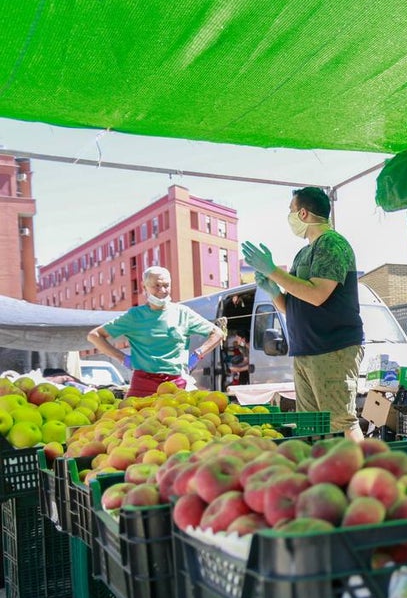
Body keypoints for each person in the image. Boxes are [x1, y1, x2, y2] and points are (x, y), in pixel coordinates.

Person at [241, 187, 365, 441]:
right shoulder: (303, 254)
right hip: (306, 350)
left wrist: (274, 271)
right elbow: (293, 307)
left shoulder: (332, 243)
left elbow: (317, 295)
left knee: (341, 422)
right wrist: (274, 291)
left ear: (304, 213)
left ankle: (364, 474)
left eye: (291, 211)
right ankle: (324, 474)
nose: (290, 217)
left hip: (332, 348)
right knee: (313, 426)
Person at [88, 266, 224, 398]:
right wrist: (122, 358)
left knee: (178, 420)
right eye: (156, 286)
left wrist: (197, 355)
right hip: (142, 384)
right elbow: (94, 336)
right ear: (144, 287)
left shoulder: (183, 313)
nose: (162, 290)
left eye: (166, 285)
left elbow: (217, 333)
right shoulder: (135, 316)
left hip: (175, 384)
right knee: (137, 420)